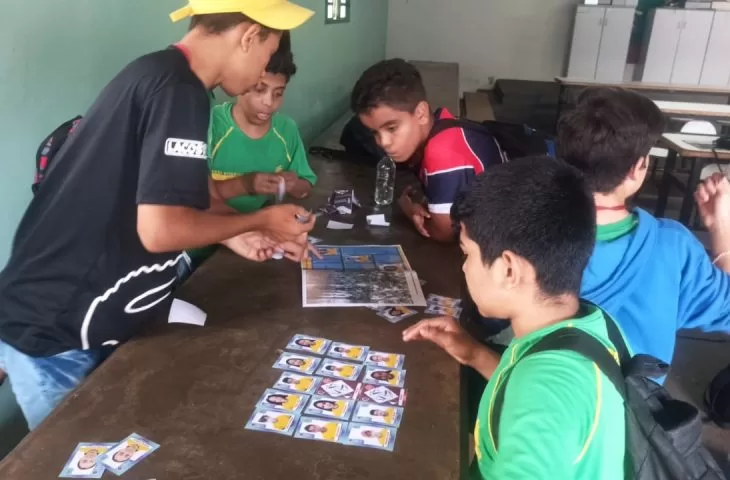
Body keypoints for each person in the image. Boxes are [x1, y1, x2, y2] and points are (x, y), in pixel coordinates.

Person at [0, 0, 315, 430]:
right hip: (55, 333)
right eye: (267, 53)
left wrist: (231, 235)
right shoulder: (176, 90)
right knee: (78, 456)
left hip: (87, 321)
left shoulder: (167, 78)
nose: (263, 70)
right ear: (248, 36)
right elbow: (160, 229)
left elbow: (183, 193)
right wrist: (260, 221)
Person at [403, 158, 625, 479]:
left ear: (509, 269)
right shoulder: (590, 324)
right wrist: (475, 354)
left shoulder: (549, 389)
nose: (464, 268)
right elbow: (528, 392)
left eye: (467, 254)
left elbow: (542, 400)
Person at [558, 87, 730, 371]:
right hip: (631, 407)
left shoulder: (530, 230)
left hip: (544, 390)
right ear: (639, 167)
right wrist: (722, 230)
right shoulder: (672, 245)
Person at [182, 36, 317, 275]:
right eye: (259, 90)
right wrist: (247, 184)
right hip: (197, 252)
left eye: (278, 93)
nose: (268, 103)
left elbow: (305, 187)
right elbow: (196, 199)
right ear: (243, 85)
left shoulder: (286, 131)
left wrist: (292, 185)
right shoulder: (210, 125)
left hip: (250, 244)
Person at [350, 58, 504, 242]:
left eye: (392, 128)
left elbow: (444, 233)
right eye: (374, 132)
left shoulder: (443, 150)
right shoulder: (442, 123)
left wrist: (407, 208)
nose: (383, 142)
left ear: (421, 113)